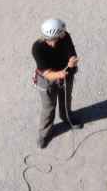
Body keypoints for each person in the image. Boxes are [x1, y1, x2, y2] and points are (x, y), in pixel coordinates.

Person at [32, 18, 81, 148]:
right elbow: (47, 74)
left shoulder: (65, 36)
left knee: (66, 99)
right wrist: (59, 74)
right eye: (50, 40)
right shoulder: (37, 48)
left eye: (58, 37)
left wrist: (72, 60)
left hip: (66, 75)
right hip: (46, 80)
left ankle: (66, 117)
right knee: (48, 107)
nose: (53, 43)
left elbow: (72, 53)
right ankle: (44, 134)